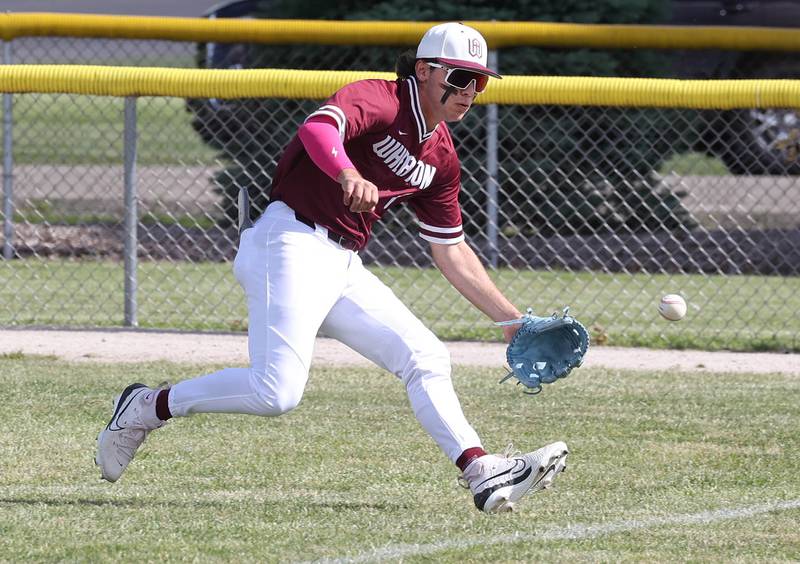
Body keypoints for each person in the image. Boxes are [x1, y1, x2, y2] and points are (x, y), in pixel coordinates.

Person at [95, 22, 568, 513]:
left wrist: (511, 321)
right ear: (425, 70)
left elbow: (451, 248)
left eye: (478, 80)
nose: (469, 91)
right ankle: (147, 407)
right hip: (290, 240)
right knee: (276, 392)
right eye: (459, 76)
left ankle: (481, 470)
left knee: (426, 357)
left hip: (341, 261)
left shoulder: (442, 155)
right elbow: (319, 128)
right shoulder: (382, 98)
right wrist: (346, 171)